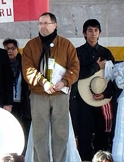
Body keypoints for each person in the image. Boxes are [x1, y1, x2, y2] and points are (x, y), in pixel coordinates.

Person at [21, 12, 80, 162]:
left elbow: (74, 67)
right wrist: (43, 82)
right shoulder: (31, 45)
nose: (43, 27)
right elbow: (27, 69)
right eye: (40, 23)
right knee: (40, 133)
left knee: (61, 132)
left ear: (55, 25)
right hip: (39, 94)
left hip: (60, 94)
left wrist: (65, 81)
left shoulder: (66, 45)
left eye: (46, 23)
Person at [70, 19, 116, 160]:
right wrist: (95, 67)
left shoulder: (106, 53)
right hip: (82, 101)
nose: (93, 33)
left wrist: (104, 94)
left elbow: (113, 78)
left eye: (96, 30)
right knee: (84, 135)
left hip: (101, 100)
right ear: (84, 33)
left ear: (100, 33)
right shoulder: (77, 53)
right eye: (90, 30)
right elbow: (74, 75)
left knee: (102, 135)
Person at [3, 38, 31, 147]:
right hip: (7, 104)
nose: (10, 51)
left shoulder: (24, 64)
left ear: (17, 50)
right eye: (7, 49)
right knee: (10, 131)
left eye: (13, 48)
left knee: (24, 131)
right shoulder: (1, 65)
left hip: (23, 104)